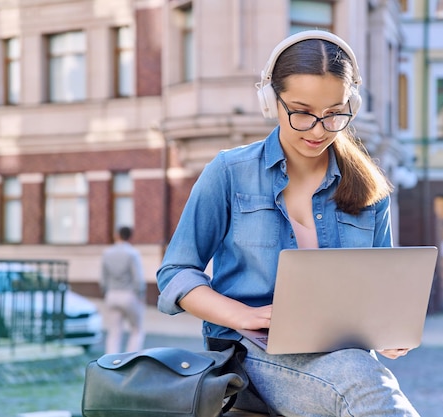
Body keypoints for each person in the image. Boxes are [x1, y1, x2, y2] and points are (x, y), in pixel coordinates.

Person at [157, 30, 420, 417]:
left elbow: (378, 291)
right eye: (301, 111)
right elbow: (176, 272)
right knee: (362, 380)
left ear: (352, 105)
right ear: (270, 101)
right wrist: (244, 315)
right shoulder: (229, 173)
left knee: (360, 374)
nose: (318, 130)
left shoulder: (371, 190)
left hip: (344, 358)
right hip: (252, 355)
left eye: (334, 113)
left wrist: (388, 332)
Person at [101, 226, 146, 354]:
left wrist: (105, 292)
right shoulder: (132, 253)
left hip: (111, 294)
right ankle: (131, 358)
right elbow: (138, 278)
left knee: (114, 331)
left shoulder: (107, 253)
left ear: (116, 235)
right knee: (137, 330)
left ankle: (111, 361)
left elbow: (103, 278)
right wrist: (141, 295)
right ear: (130, 237)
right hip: (129, 294)